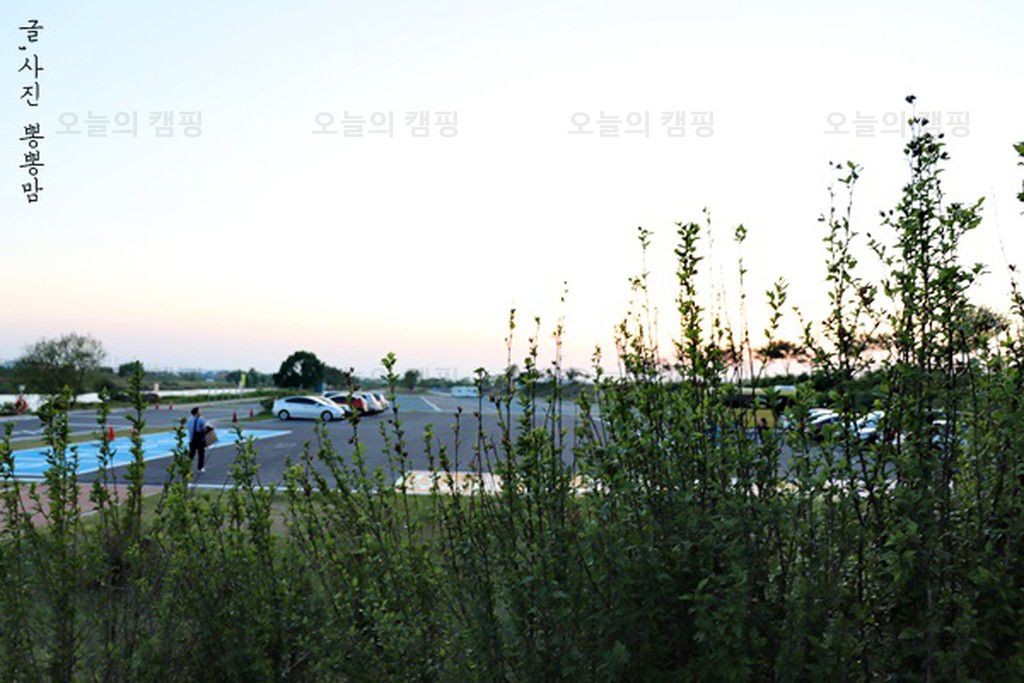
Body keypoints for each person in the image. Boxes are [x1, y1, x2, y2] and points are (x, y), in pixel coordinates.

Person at [186, 407, 206, 473]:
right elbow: (203, 429)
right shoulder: (200, 419)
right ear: (196, 412)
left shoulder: (189, 419)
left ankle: (186, 467)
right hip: (199, 439)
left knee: (191, 454)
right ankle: (200, 467)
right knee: (201, 453)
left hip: (192, 439)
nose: (201, 412)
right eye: (199, 411)